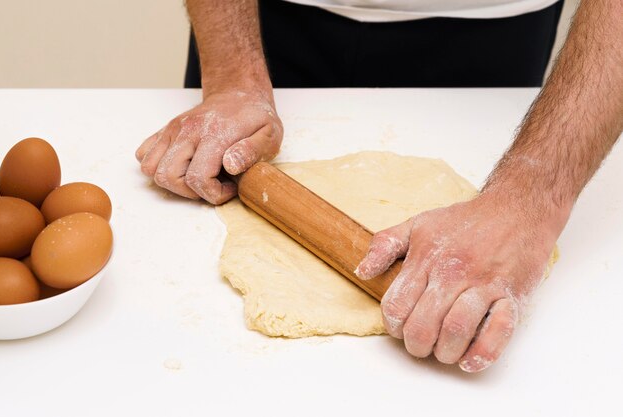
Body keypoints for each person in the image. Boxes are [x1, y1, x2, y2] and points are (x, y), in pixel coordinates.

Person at [135, 0, 623, 373]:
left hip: (495, 28)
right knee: (220, 150)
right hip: (262, 23)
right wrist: (231, 80)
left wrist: (530, 197)